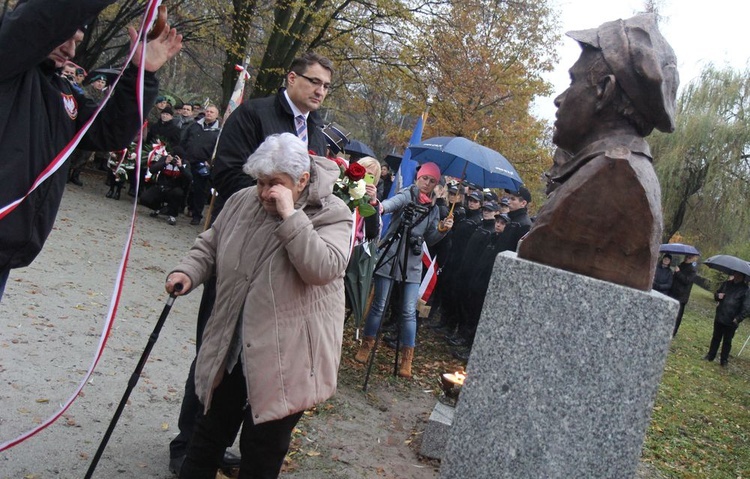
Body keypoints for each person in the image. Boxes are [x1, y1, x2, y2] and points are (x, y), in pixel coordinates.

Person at [168, 52, 335, 475]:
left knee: (263, 447)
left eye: (326, 85)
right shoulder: (254, 118)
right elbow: (213, 234)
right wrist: (188, 270)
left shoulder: (331, 205)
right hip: (236, 302)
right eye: (313, 81)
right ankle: (184, 448)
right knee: (210, 408)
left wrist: (289, 214)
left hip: (283, 344)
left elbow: (323, 267)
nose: (319, 91)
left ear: (300, 180)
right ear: (291, 78)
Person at [0, 0, 182, 301]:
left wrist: (141, 74)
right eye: (66, 36)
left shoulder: (64, 92)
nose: (71, 50)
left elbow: (109, 131)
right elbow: (41, 19)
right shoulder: (7, 61)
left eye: (78, 41)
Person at [517, 14, 678, 291]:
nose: (559, 99)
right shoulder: (608, 170)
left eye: (573, 81)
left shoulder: (615, 177)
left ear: (604, 90)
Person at [354, 162, 453, 378]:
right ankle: (367, 344)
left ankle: (407, 358)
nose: (427, 183)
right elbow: (391, 204)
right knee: (379, 305)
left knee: (409, 311)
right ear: (418, 177)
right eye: (425, 178)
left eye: (432, 181)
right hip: (391, 256)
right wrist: (378, 206)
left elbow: (430, 238)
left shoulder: (433, 210)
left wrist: (443, 230)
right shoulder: (407, 194)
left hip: (413, 263)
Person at [174, 104, 221, 225]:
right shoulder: (194, 126)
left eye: (212, 112)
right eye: (208, 111)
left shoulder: (218, 132)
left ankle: (196, 214)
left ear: (217, 115)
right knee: (183, 185)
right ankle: (177, 207)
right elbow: (184, 141)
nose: (209, 113)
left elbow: (219, 150)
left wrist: (210, 162)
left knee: (199, 191)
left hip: (203, 164)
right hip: (188, 160)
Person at [704, 272, 750, 366]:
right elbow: (717, 294)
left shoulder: (745, 290)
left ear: (743, 277)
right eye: (736, 274)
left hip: (732, 319)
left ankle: (724, 360)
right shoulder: (726, 284)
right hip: (720, 315)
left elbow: (746, 307)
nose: (737, 276)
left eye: (739, 275)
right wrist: (718, 296)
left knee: (727, 341)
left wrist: (738, 318)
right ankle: (710, 355)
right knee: (716, 337)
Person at [140, 154, 192, 225]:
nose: (174, 160)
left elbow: (190, 178)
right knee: (144, 198)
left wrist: (181, 167)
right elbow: (152, 169)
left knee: (178, 193)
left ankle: (172, 215)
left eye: (176, 158)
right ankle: (158, 208)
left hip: (174, 189)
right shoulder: (165, 159)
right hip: (161, 186)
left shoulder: (185, 163)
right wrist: (165, 163)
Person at [669, 254, 699, 336]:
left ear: (692, 259)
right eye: (686, 257)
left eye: (689, 258)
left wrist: (678, 272)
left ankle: (673, 332)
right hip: (673, 292)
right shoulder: (681, 265)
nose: (687, 259)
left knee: (678, 316)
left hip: (681, 296)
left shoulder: (692, 269)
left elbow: (687, 281)